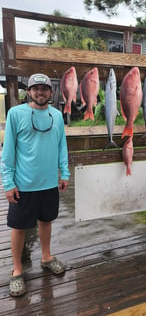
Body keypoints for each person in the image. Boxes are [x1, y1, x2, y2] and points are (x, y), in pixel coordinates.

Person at [0, 73, 70, 297]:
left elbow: (62, 147)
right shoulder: (15, 113)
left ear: (51, 93)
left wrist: (64, 173)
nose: (40, 92)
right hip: (23, 184)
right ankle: (17, 270)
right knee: (18, 227)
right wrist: (8, 183)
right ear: (28, 91)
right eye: (36, 88)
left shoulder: (57, 116)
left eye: (45, 88)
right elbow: (7, 152)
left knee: (46, 221)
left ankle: (46, 257)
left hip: (49, 183)